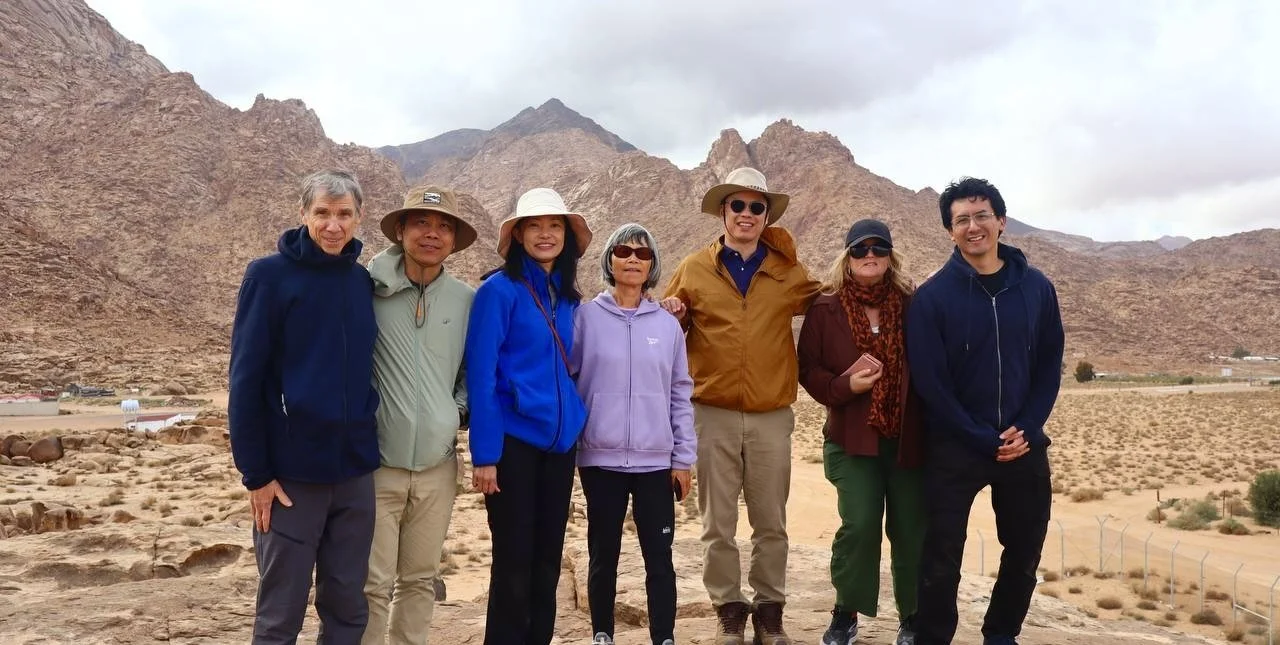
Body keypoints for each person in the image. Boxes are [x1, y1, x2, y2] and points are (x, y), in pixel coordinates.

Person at [660, 167, 821, 645]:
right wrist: (675, 314)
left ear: (766, 216)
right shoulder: (694, 268)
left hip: (772, 414)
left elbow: (831, 305)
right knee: (718, 523)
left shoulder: (788, 272)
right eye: (738, 205)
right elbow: (666, 327)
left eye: (756, 207)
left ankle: (770, 611)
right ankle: (728, 609)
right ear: (723, 212)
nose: (746, 214)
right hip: (711, 413)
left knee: (771, 521)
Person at [907, 177, 1064, 645]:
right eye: (961, 220)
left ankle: (1001, 635)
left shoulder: (1037, 288)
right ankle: (933, 637)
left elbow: (1049, 365)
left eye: (981, 216)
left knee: (1024, 549)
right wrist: (978, 436)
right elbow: (931, 383)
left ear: (1001, 221)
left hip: (1022, 443)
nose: (973, 227)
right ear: (949, 231)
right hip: (956, 446)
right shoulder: (932, 298)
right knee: (941, 554)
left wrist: (1029, 427)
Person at [228, 169, 380, 645]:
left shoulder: (359, 281)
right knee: (280, 615)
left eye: (344, 214)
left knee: (348, 609)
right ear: (303, 214)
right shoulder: (269, 276)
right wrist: (256, 474)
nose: (333, 225)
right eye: (322, 213)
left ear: (359, 218)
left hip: (354, 474)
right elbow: (245, 381)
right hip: (291, 478)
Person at [465, 187, 593, 645]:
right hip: (513, 445)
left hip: (559, 446)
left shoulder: (568, 299)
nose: (545, 234)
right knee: (513, 562)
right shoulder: (498, 292)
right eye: (534, 226)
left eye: (554, 225)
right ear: (518, 236)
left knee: (546, 561)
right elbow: (480, 376)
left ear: (566, 236)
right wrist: (485, 455)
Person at [798, 219, 925, 645]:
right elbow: (808, 369)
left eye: (878, 248)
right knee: (860, 524)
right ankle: (845, 613)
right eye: (860, 249)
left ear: (890, 256)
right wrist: (844, 387)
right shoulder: (825, 308)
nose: (869, 256)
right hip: (851, 439)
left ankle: (913, 617)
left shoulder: (912, 304)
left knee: (911, 528)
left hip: (907, 439)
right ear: (847, 256)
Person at [362, 186, 478, 645]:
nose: (433, 234)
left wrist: (456, 412)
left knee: (420, 579)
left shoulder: (466, 300)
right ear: (401, 230)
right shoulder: (367, 290)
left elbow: (474, 369)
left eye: (444, 226)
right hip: (375, 466)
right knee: (371, 583)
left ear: (453, 240)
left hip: (437, 467)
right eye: (422, 223)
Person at [572, 223, 696, 645]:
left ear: (652, 265)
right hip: (600, 459)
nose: (632, 259)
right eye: (623, 251)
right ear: (609, 260)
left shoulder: (667, 326)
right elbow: (567, 382)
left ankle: (664, 637)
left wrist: (683, 458)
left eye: (642, 254)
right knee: (603, 553)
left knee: (659, 557)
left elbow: (680, 393)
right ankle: (602, 634)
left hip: (656, 462)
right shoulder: (585, 318)